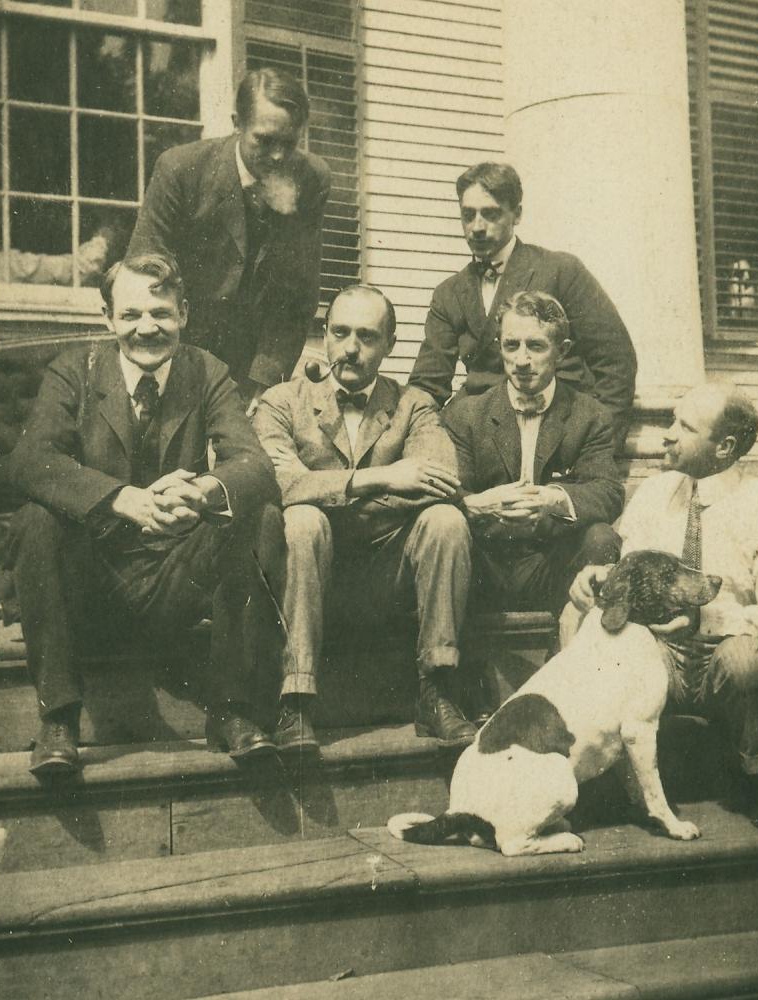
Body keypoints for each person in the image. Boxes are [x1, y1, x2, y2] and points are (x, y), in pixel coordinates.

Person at [7, 254, 285, 775]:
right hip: (92, 579)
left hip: (173, 580)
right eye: (131, 314)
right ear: (108, 318)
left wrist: (202, 491)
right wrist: (122, 499)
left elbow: (254, 464)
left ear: (184, 313)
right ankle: (59, 721)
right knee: (36, 519)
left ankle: (234, 711)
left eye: (161, 312)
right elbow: (29, 461)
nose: (147, 328)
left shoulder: (207, 371)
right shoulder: (76, 369)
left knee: (263, 515)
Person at [568, 383, 758, 831]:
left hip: (723, 657)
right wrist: (597, 580)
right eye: (671, 421)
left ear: (725, 447)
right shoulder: (655, 493)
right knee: (594, 640)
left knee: (744, 660)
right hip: (659, 654)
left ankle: (756, 778)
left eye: (685, 427)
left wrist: (708, 618)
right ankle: (597, 776)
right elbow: (628, 572)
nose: (667, 434)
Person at [252, 285, 476, 750]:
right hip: (305, 573)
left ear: (390, 344)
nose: (350, 348)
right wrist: (383, 478)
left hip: (386, 574)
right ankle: (295, 701)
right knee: (301, 523)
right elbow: (275, 485)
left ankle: (437, 691)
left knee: (444, 521)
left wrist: (321, 491)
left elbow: (441, 481)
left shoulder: (414, 405)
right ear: (325, 335)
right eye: (340, 333)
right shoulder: (282, 401)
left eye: (367, 337)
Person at [127, 67, 330, 413]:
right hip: (174, 355)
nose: (279, 156)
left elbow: (296, 298)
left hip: (252, 367)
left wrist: (264, 382)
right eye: (265, 141)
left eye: (290, 143)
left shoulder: (312, 179)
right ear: (238, 123)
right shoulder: (179, 170)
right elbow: (145, 277)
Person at [408, 162, 637, 448]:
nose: (477, 227)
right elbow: (427, 385)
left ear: (516, 214)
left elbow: (616, 361)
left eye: (490, 214)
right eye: (468, 215)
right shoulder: (450, 293)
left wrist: (599, 444)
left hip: (555, 431)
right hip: (482, 441)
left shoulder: (560, 270)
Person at [443, 291, 624, 618]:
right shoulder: (465, 415)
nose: (522, 360)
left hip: (552, 564)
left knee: (601, 537)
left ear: (562, 352)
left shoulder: (590, 414)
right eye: (511, 345)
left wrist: (552, 500)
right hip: (484, 565)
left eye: (536, 346)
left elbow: (608, 491)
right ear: (500, 347)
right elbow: (448, 495)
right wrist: (481, 504)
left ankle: (583, 653)